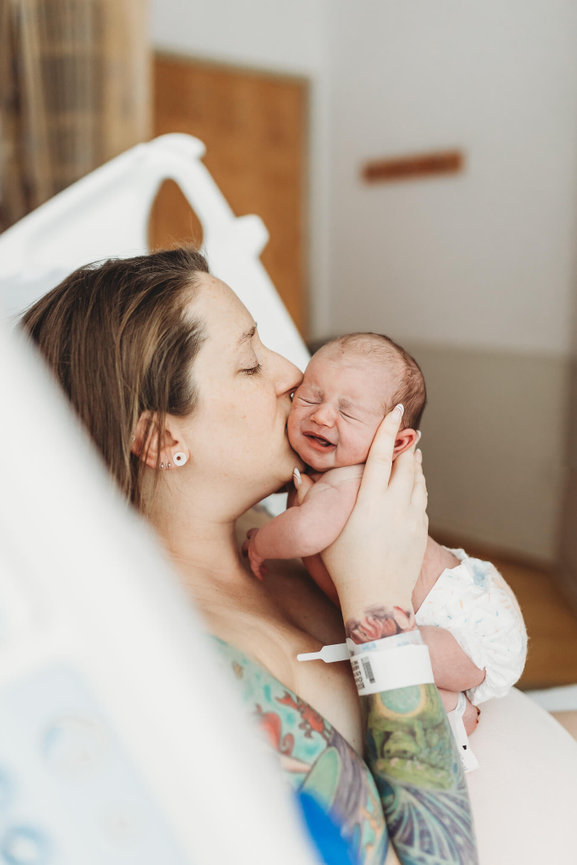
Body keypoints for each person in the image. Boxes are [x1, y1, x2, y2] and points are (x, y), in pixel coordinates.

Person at [21, 248, 478, 865]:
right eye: (249, 363)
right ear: (160, 439)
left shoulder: (288, 531)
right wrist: (381, 610)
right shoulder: (211, 670)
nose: (292, 372)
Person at [243, 334, 528, 761]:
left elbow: (306, 532)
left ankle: (454, 707)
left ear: (395, 443)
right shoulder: (329, 472)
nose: (321, 416)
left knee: (401, 654)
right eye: (309, 397)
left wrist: (261, 543)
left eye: (347, 411)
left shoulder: (347, 480)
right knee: (402, 650)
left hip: (462, 621)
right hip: (466, 592)